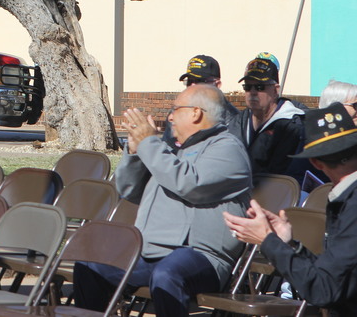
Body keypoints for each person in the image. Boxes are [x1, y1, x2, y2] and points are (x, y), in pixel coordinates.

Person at [75, 83, 251, 317]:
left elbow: (189, 184)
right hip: (149, 253)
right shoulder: (170, 150)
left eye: (175, 109)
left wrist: (150, 143)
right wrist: (136, 152)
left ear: (196, 113)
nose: (170, 117)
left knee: (168, 274)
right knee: (89, 265)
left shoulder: (228, 150)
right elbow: (129, 189)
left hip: (201, 257)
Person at [224, 103, 357, 316]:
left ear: (315, 163)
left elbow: (324, 289)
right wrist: (289, 243)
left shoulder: (352, 205)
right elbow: (331, 275)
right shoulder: (349, 199)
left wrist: (267, 241)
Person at [228, 53, 307, 182]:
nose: (252, 92)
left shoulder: (293, 126)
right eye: (247, 87)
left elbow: (285, 175)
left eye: (260, 87)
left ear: (275, 90)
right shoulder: (238, 121)